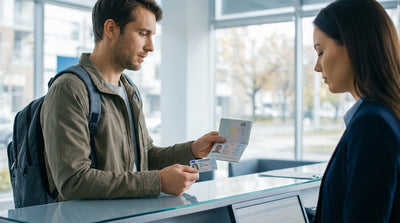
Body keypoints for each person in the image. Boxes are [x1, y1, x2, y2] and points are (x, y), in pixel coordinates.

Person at [40, 0, 225, 202]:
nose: (151, 47)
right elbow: (73, 182)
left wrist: (192, 150)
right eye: (143, 34)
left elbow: (146, 156)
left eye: (152, 36)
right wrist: (158, 182)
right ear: (111, 29)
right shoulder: (69, 89)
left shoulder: (129, 90)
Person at [312, 0, 400, 222]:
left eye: (321, 52)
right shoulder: (386, 114)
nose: (317, 66)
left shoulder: (372, 123)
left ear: (352, 46)